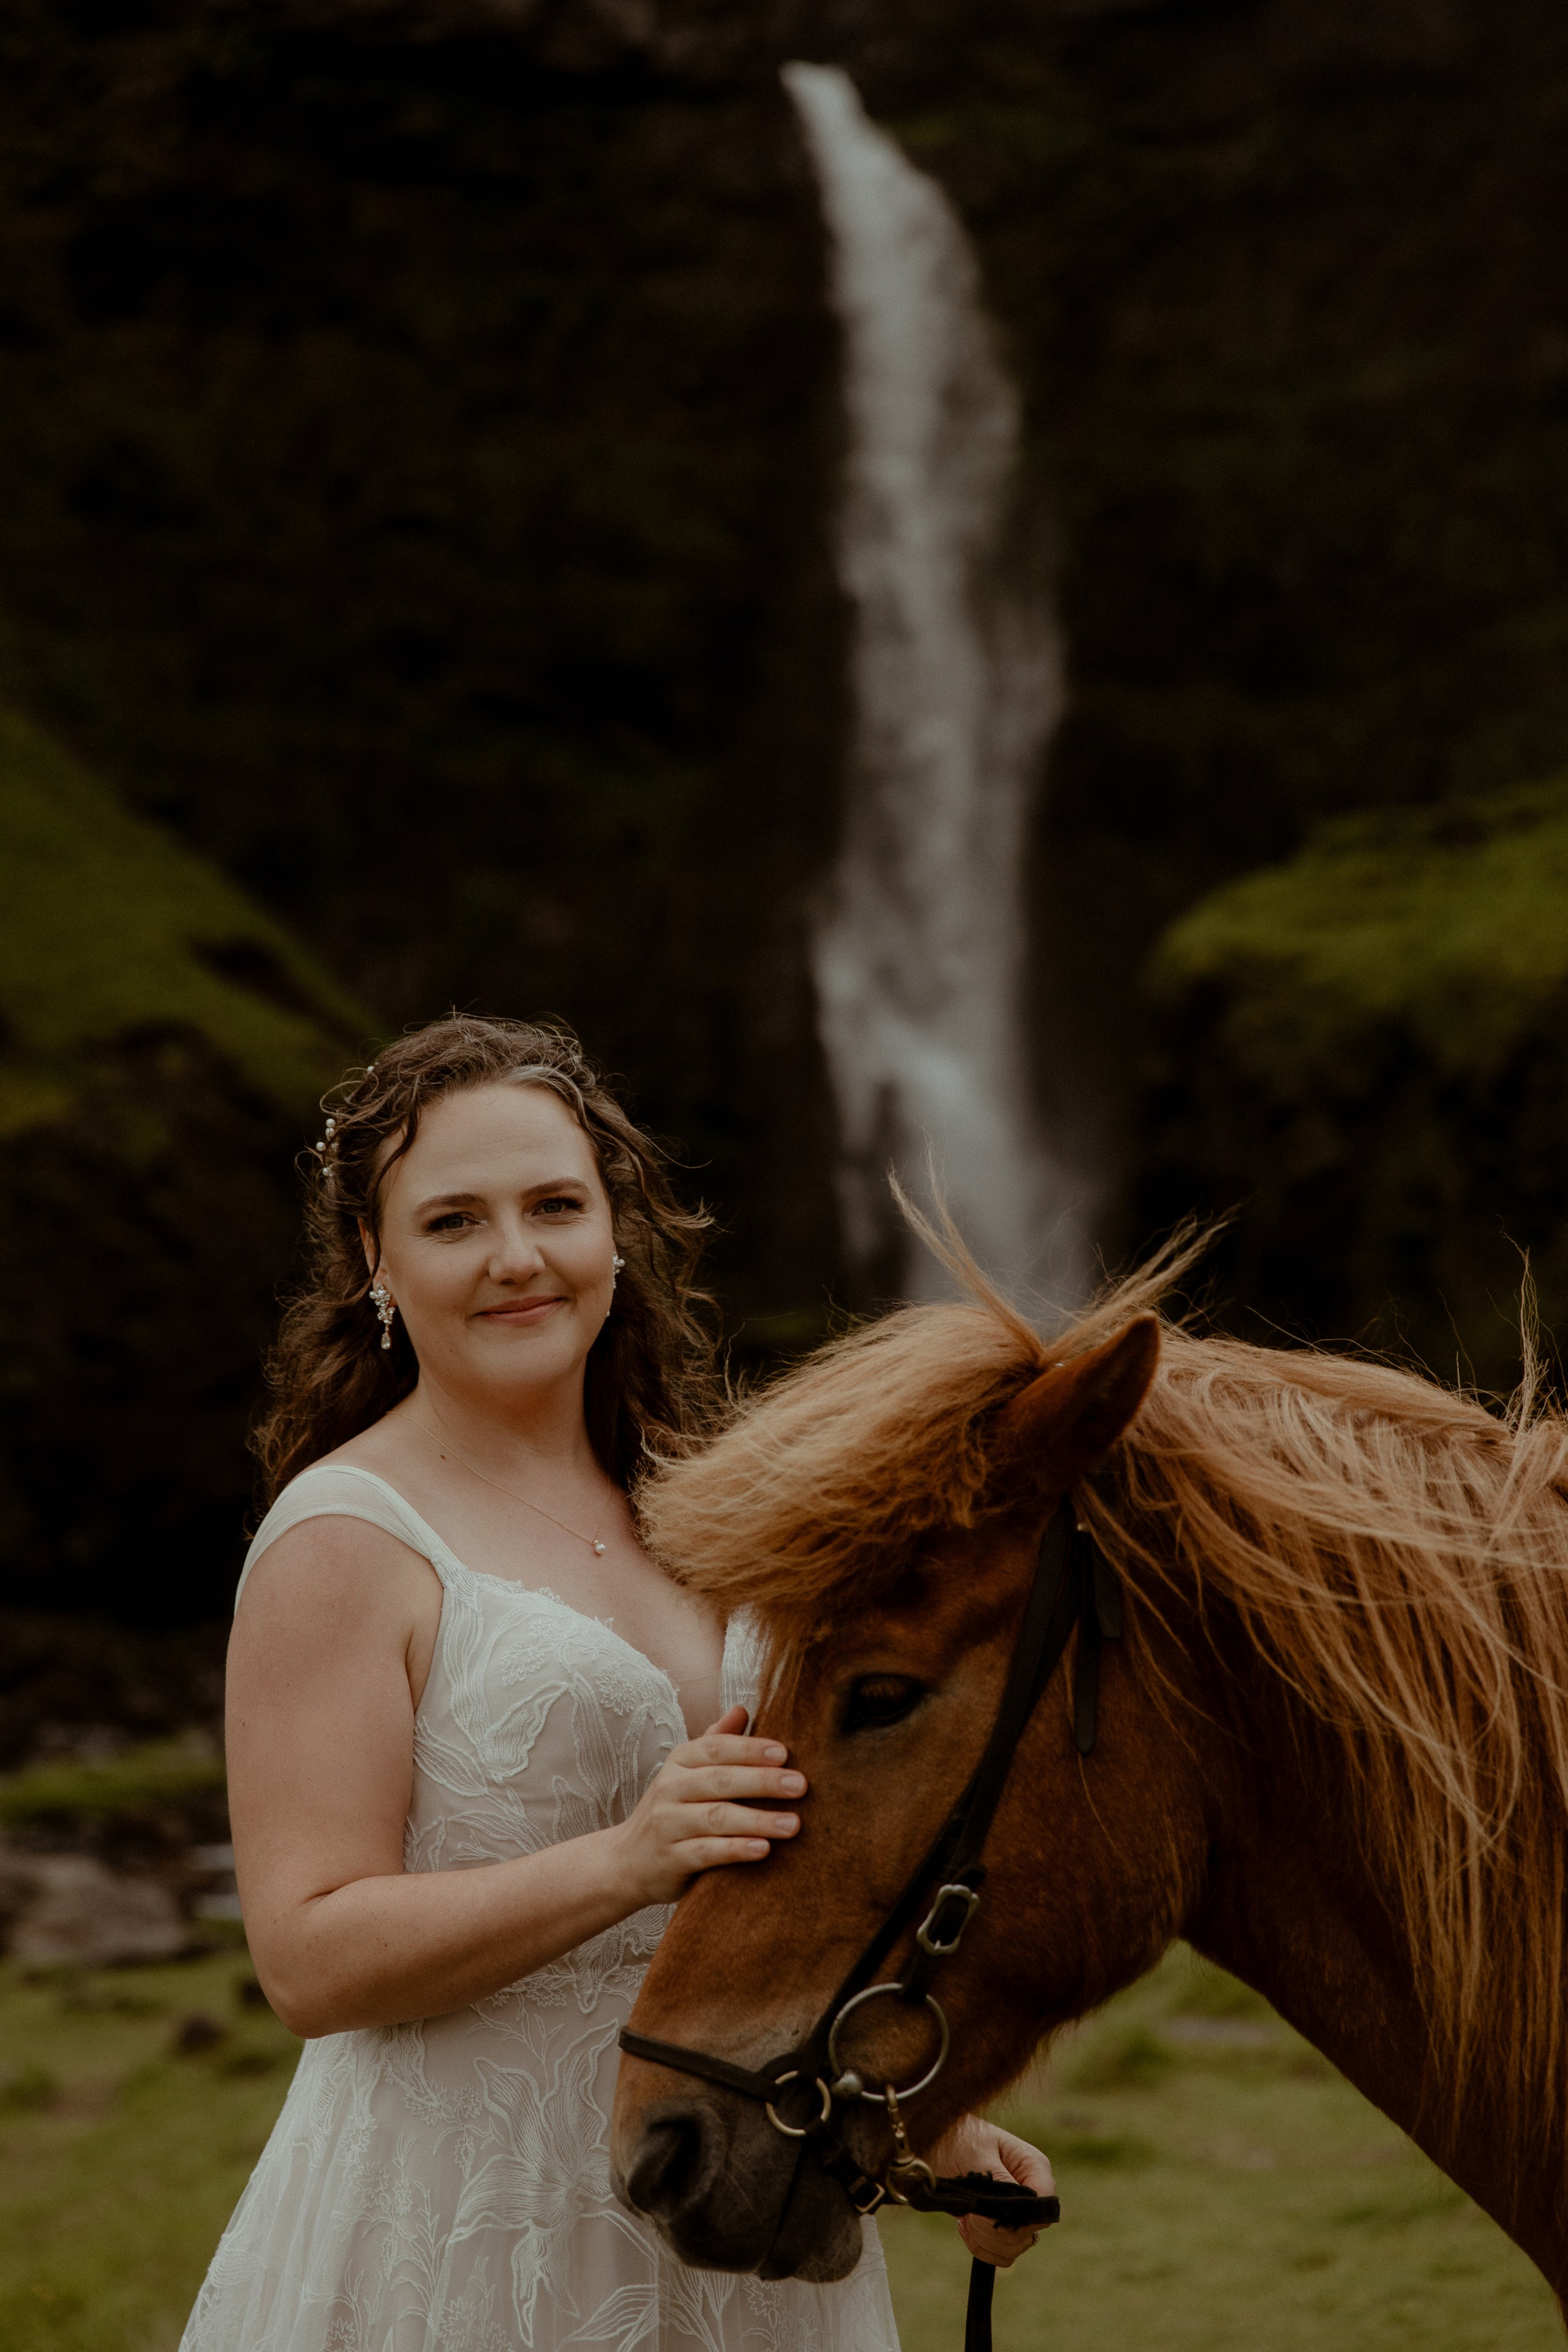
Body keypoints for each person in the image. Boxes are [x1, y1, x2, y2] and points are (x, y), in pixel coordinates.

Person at [181, 1014, 1052, 2352]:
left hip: (736, 2190)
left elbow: (776, 1893)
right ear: (377, 1259)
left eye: (553, 1206)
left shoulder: (702, 1500)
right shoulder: (344, 1539)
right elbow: (307, 1959)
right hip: (469, 2229)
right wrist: (629, 1858)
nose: (519, 1258)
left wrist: (929, 2125)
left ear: (614, 1227)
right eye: (455, 1222)